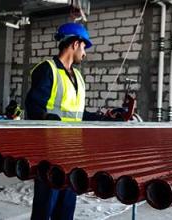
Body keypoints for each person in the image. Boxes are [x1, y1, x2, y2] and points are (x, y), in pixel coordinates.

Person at [26, 22, 113, 220]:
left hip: (72, 153)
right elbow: (33, 107)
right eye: (84, 47)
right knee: (44, 208)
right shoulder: (47, 69)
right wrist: (51, 120)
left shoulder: (79, 78)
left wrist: (103, 118)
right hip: (49, 154)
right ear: (75, 44)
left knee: (66, 209)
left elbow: (77, 114)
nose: (85, 53)